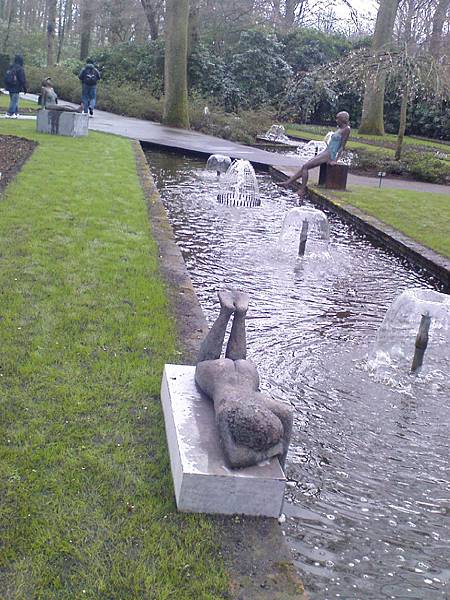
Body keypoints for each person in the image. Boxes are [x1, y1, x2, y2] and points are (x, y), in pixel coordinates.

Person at [195, 290, 293, 469]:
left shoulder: (227, 408)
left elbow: (287, 415)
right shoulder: (226, 411)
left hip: (241, 373)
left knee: (220, 359)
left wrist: (279, 447)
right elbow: (233, 458)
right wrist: (278, 453)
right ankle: (234, 314)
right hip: (230, 374)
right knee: (206, 361)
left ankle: (232, 313)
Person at [280, 111, 351, 197]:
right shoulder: (339, 129)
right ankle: (287, 183)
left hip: (329, 155)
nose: (336, 120)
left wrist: (335, 160)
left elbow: (342, 147)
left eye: (338, 118)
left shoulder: (346, 129)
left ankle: (302, 190)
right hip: (326, 151)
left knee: (306, 167)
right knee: (304, 166)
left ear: (343, 119)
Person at [4, 54, 27, 119]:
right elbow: (22, 79)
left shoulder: (11, 67)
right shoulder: (20, 68)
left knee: (14, 100)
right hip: (16, 87)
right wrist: (25, 88)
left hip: (10, 86)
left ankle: (15, 113)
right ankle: (9, 113)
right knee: (14, 100)